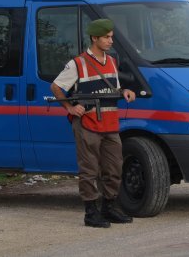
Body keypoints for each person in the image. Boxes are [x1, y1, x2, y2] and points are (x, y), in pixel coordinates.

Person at [51, 18, 136, 228]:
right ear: (94, 38)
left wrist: (124, 91)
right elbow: (56, 87)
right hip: (87, 124)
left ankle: (109, 207)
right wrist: (70, 108)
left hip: (110, 124)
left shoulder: (112, 61)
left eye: (111, 37)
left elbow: (111, 89)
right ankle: (91, 213)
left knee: (114, 168)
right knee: (89, 170)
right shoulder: (77, 63)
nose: (110, 41)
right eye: (106, 37)